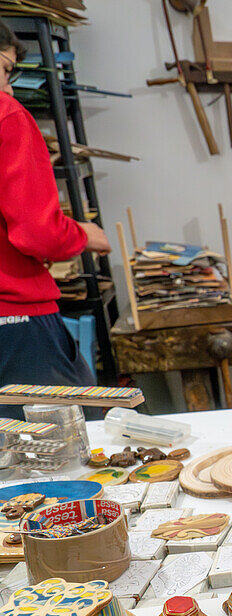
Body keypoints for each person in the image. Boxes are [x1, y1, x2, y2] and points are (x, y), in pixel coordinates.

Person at [0, 20, 112, 419]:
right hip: (15, 322)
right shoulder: (6, 115)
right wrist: (81, 234)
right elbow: (36, 232)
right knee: (74, 454)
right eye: (5, 69)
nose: (9, 87)